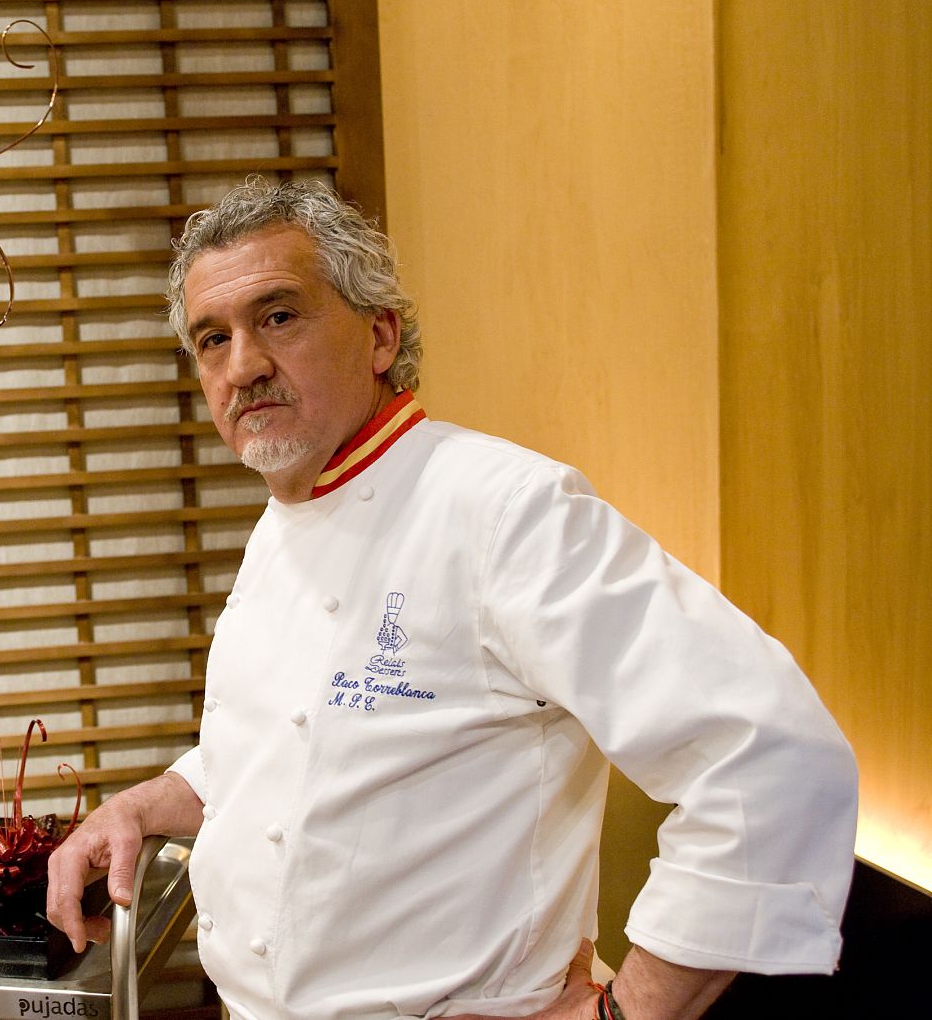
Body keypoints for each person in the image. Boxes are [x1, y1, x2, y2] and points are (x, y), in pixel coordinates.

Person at [45, 178, 858, 1020]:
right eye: (212, 339)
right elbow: (293, 747)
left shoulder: (506, 510)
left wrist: (631, 1012)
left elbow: (770, 751)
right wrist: (139, 806)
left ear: (380, 335)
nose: (243, 365)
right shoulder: (286, 515)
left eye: (278, 316)